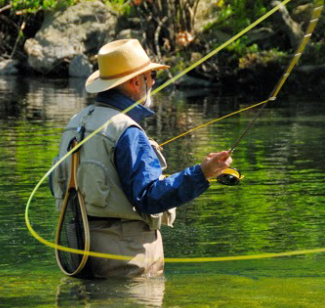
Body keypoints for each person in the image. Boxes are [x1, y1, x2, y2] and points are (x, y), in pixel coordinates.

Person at [51, 38, 231, 278]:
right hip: (126, 258)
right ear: (136, 81)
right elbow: (150, 197)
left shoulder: (75, 123)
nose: (153, 82)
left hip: (79, 254)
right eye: (152, 75)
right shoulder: (126, 131)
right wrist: (202, 174)